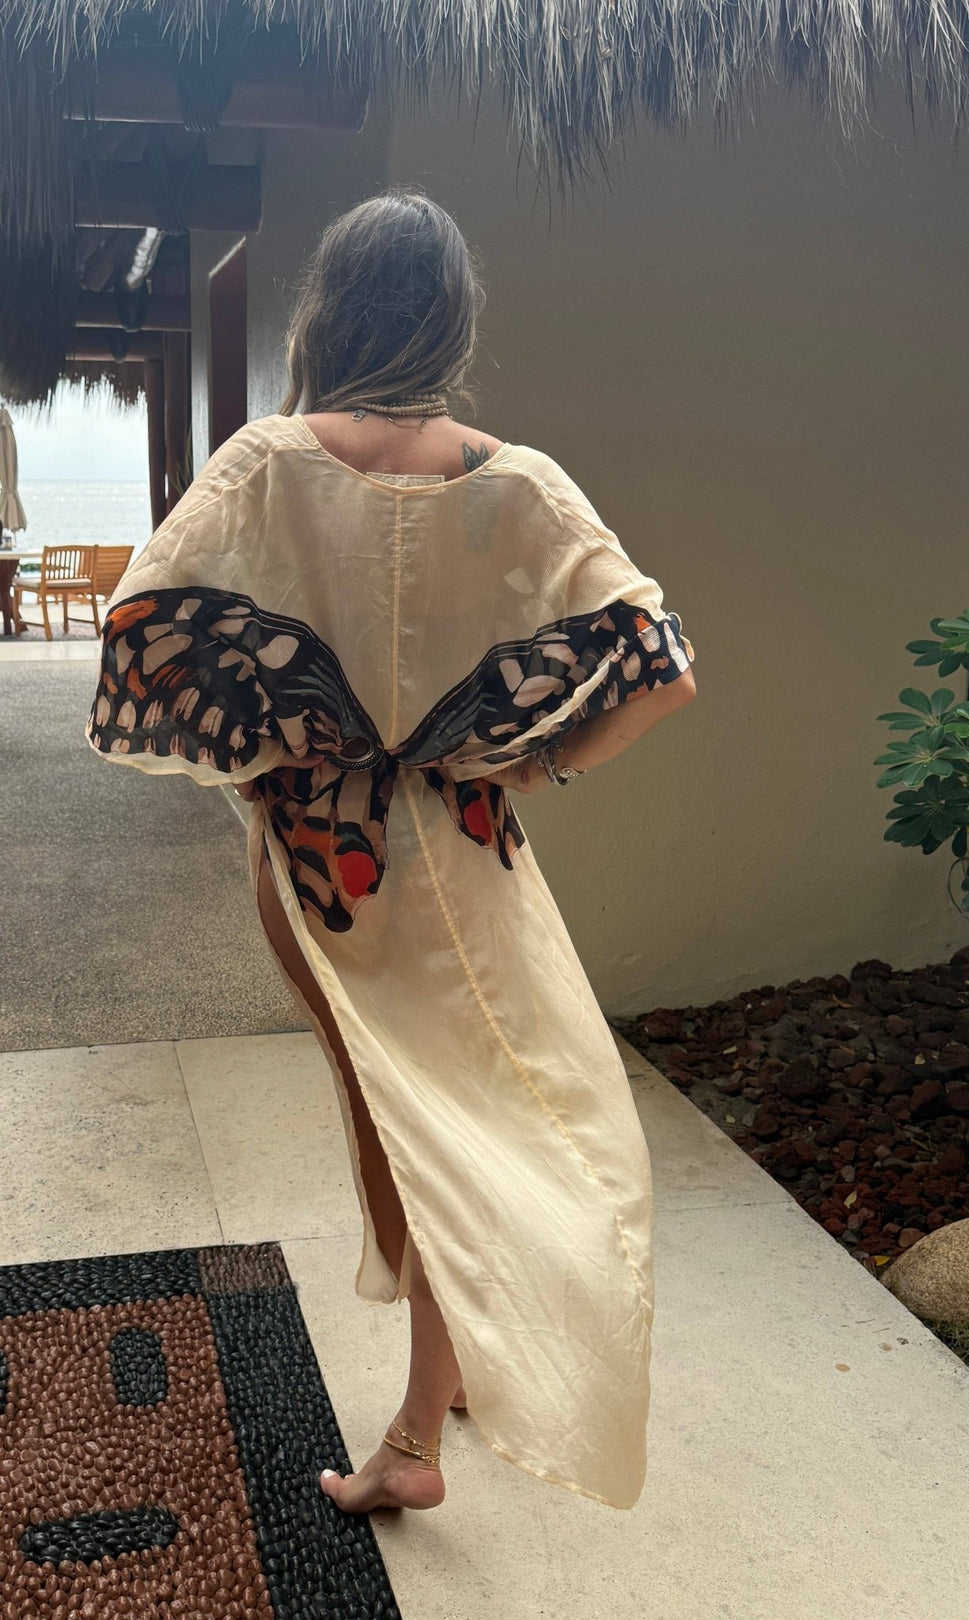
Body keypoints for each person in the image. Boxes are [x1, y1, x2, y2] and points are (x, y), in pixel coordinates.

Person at [86, 187, 697, 1515]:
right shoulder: (516, 478)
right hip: (466, 854)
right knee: (466, 1110)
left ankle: (417, 1438)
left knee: (414, 1123)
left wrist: (273, 733)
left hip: (321, 863)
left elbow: (138, 628)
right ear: (453, 318)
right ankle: (455, 1352)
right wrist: (530, 758)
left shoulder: (266, 461)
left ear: (328, 311)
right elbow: (662, 672)